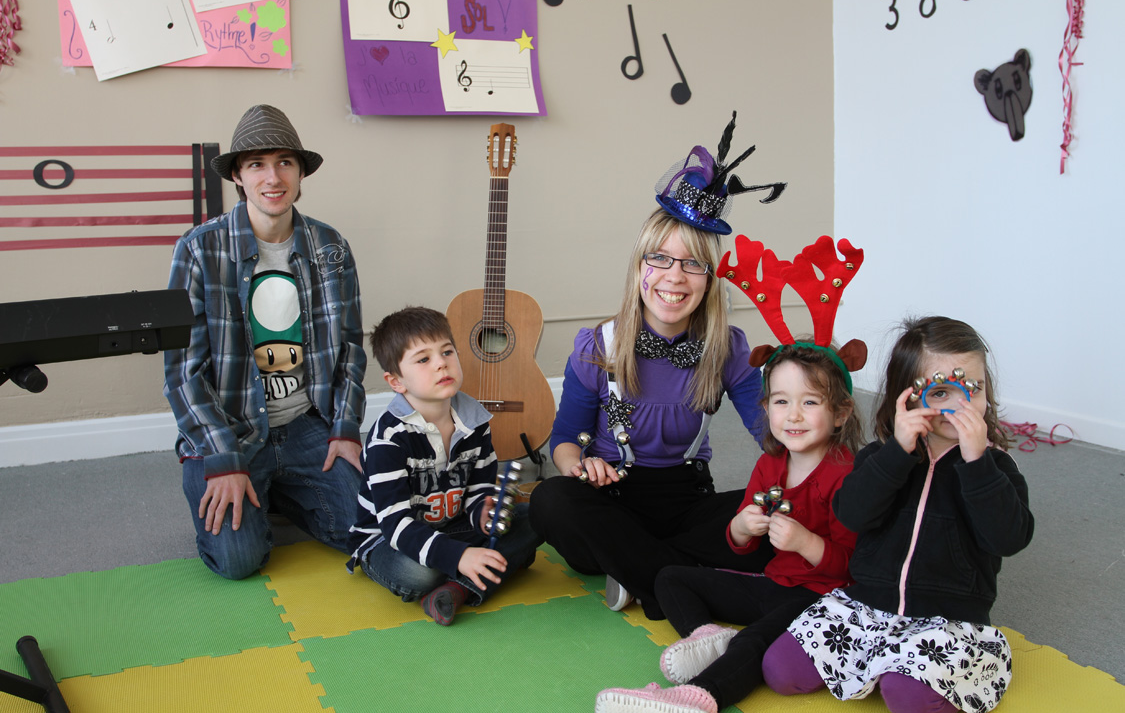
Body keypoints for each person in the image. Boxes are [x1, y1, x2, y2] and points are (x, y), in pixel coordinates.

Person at [596, 235, 869, 713]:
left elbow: (856, 565)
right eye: (781, 402)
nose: (794, 416)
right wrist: (742, 528)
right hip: (773, 581)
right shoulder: (771, 464)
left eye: (810, 403)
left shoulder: (847, 474)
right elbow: (740, 539)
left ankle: (697, 697)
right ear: (767, 408)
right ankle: (704, 636)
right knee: (671, 579)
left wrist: (806, 543)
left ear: (841, 412)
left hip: (823, 598)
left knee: (759, 642)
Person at [530, 113, 787, 619]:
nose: (676, 277)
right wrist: (579, 466)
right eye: (660, 260)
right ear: (639, 268)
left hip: (688, 501)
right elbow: (564, 440)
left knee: (783, 518)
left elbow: (771, 436)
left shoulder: (729, 347)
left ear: (710, 279)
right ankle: (682, 583)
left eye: (693, 263)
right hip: (609, 504)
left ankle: (642, 575)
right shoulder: (595, 345)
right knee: (549, 502)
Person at [762, 316, 1035, 713]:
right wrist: (897, 454)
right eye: (940, 391)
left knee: (907, 697)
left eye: (972, 389)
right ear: (905, 396)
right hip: (867, 607)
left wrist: (977, 464)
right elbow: (852, 516)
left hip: (948, 623)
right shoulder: (882, 456)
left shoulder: (995, 467)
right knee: (780, 669)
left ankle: (903, 674)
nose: (959, 405)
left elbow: (1009, 539)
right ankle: (884, 666)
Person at [164, 104, 366, 580]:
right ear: (238, 174)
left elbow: (352, 348)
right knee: (239, 561)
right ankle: (253, 488)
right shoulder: (198, 249)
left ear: (300, 174)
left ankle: (282, 493)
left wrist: (346, 427)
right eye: (257, 164)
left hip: (306, 424)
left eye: (284, 163)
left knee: (369, 527)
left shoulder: (329, 246)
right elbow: (182, 373)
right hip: (229, 429)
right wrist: (223, 458)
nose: (272, 177)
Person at [346, 306, 542, 626]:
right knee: (420, 574)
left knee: (535, 515)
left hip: (451, 526)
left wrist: (485, 512)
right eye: (423, 359)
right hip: (388, 540)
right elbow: (395, 525)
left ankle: (457, 589)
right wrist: (459, 556)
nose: (441, 363)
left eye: (447, 351)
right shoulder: (388, 440)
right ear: (396, 381)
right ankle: (483, 566)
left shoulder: (475, 419)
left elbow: (479, 489)